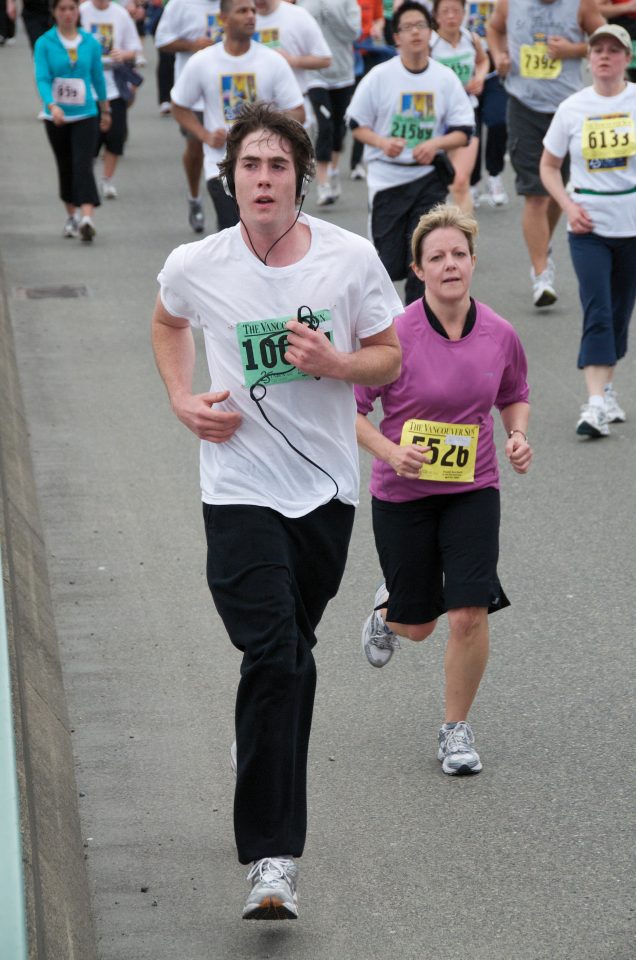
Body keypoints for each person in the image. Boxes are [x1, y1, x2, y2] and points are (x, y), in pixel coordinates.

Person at [152, 102, 402, 919]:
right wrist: (183, 399)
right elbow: (167, 322)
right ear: (231, 178)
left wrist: (336, 362)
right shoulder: (198, 262)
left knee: (287, 656)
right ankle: (272, 860)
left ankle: (255, 743)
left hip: (326, 493)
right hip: (237, 486)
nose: (263, 179)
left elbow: (389, 356)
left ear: (302, 177)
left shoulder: (348, 258)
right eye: (250, 166)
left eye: (278, 167)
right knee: (274, 652)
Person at [355, 203, 532, 776]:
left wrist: (518, 435)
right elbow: (350, 412)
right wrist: (389, 450)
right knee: (420, 624)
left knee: (467, 615)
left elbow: (515, 392)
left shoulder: (499, 333)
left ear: (473, 263)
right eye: (438, 257)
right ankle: (389, 610)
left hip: (472, 487)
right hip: (402, 493)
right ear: (419, 269)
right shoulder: (394, 336)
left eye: (459, 254)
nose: (450, 264)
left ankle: (455, 730)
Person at [540, 24, 636, 437]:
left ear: (626, 59)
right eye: (597, 49)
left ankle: (608, 389)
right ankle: (594, 403)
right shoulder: (572, 108)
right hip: (588, 227)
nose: (603, 56)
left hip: (630, 226)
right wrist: (567, 205)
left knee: (619, 313)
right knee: (597, 308)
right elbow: (548, 166)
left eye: (613, 50)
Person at [347, 0, 474, 303]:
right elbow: (356, 124)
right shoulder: (380, 76)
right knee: (386, 264)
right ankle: (391, 325)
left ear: (431, 32)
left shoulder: (444, 78)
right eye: (407, 27)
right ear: (396, 37)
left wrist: (435, 144)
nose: (415, 32)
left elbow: (464, 130)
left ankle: (421, 324)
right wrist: (382, 143)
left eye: (421, 25)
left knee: (425, 254)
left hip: (428, 179)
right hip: (386, 180)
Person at [487, 0, 604, 308]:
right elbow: (494, 28)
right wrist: (499, 54)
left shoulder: (581, 5)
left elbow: (604, 37)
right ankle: (542, 276)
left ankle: (543, 247)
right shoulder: (510, 3)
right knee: (535, 194)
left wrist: (572, 49)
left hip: (566, 108)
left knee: (555, 194)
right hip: (523, 104)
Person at [169, 0, 305, 233]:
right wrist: (205, 135)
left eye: (253, 11)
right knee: (232, 230)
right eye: (242, 11)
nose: (250, 16)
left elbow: (298, 112)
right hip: (220, 163)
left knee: (265, 233)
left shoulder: (272, 61)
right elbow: (179, 105)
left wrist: (267, 122)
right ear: (223, 19)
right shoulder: (203, 61)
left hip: (265, 164)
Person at [34, 0, 110, 241]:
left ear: (78, 12)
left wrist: (106, 110)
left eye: (71, 8)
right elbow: (42, 78)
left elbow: (98, 77)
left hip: (86, 114)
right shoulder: (45, 43)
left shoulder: (90, 43)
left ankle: (87, 217)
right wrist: (51, 105)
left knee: (83, 163)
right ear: (54, 13)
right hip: (55, 116)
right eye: (62, 9)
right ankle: (71, 215)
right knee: (65, 164)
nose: (67, 14)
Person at [155, 0, 222, 232]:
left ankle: (231, 210)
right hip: (194, 92)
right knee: (195, 148)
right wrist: (192, 44)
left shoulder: (236, 4)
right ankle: (195, 197)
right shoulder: (180, 4)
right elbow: (162, 41)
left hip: (229, 90)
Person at [298, 0, 361, 205]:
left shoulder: (348, 3)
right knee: (324, 126)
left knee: (338, 128)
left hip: (343, 73)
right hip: (316, 75)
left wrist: (331, 13)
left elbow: (353, 34)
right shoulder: (304, 4)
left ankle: (333, 171)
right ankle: (323, 183)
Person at [80, 0, 142, 199]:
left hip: (114, 86)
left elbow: (134, 49)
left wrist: (123, 54)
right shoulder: (81, 11)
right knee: (90, 139)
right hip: (86, 87)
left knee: (115, 137)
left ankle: (107, 179)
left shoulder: (120, 14)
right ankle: (86, 178)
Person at [430, 0, 489, 211]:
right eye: (445, 12)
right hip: (436, 117)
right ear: (436, 16)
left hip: (466, 112)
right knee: (438, 183)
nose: (451, 17)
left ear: (464, 13)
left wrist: (479, 78)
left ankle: (465, 240)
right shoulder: (430, 43)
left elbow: (483, 61)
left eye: (456, 11)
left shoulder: (471, 39)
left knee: (460, 181)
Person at [253, 0, 332, 137]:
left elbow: (325, 59)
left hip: (292, 111)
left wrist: (291, 61)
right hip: (251, 113)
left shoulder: (298, 16)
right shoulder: (241, 17)